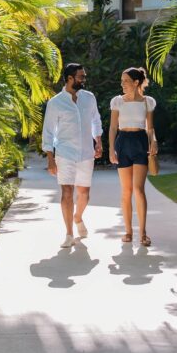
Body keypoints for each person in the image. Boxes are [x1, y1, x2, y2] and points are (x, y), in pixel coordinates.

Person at [41, 63, 103, 248]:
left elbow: (96, 120)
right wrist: (50, 159)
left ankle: (78, 217)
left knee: (84, 194)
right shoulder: (55, 102)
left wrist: (98, 141)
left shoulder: (89, 98)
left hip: (86, 153)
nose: (84, 79)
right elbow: (48, 132)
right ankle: (69, 233)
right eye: (81, 77)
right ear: (69, 78)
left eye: (84, 76)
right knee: (67, 192)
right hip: (65, 153)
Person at [109, 67, 158, 246]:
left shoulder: (147, 102)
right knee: (126, 191)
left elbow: (150, 128)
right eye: (122, 81)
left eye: (126, 81)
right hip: (123, 142)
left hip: (140, 142)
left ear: (136, 83)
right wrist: (111, 149)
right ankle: (128, 231)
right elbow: (113, 127)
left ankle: (143, 233)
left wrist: (154, 141)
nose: (122, 84)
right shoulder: (117, 102)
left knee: (138, 189)